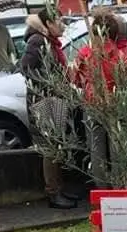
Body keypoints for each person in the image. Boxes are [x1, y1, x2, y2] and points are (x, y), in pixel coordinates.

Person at [73, 12, 127, 188]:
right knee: (118, 151)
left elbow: (75, 79)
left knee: (97, 152)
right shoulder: (122, 52)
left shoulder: (86, 52)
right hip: (117, 104)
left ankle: (102, 192)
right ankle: (119, 191)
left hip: (92, 106)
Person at [21, 8, 76, 209]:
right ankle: (53, 193)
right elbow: (25, 68)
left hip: (54, 99)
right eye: (58, 20)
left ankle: (59, 188)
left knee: (57, 145)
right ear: (47, 23)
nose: (62, 24)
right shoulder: (38, 41)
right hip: (45, 101)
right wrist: (49, 85)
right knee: (50, 148)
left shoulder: (50, 42)